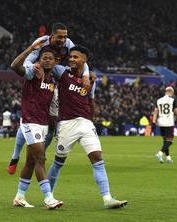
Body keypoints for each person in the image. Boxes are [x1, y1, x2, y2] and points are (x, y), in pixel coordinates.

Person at [47, 46, 128, 209]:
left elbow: (90, 101)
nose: (71, 59)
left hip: (85, 123)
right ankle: (48, 196)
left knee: (97, 158)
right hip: (66, 124)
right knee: (59, 161)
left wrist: (91, 120)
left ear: (84, 60)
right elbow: (47, 62)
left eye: (76, 57)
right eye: (71, 56)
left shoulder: (90, 80)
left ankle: (107, 198)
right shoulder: (62, 72)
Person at [7, 22, 91, 175]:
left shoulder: (69, 44)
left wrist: (85, 75)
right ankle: (15, 156)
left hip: (54, 79)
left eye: (65, 37)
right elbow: (26, 62)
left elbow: (81, 59)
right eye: (60, 37)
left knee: (52, 121)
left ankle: (41, 151)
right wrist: (34, 68)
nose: (63, 40)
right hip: (37, 77)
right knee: (28, 119)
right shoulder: (40, 43)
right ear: (52, 36)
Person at [10, 40, 63, 209]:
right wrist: (30, 49)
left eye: (50, 58)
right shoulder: (32, 73)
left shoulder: (53, 79)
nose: (47, 60)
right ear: (39, 60)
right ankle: (48, 198)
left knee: (31, 162)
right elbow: (14, 66)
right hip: (29, 122)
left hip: (43, 124)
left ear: (55, 62)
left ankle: (19, 197)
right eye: (44, 57)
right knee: (41, 158)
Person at [152, 86, 177, 163]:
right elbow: (176, 111)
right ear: (171, 92)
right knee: (170, 141)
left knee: (165, 140)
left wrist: (153, 122)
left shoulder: (158, 100)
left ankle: (168, 158)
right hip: (169, 122)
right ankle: (160, 153)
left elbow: (155, 112)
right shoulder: (172, 100)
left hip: (161, 122)